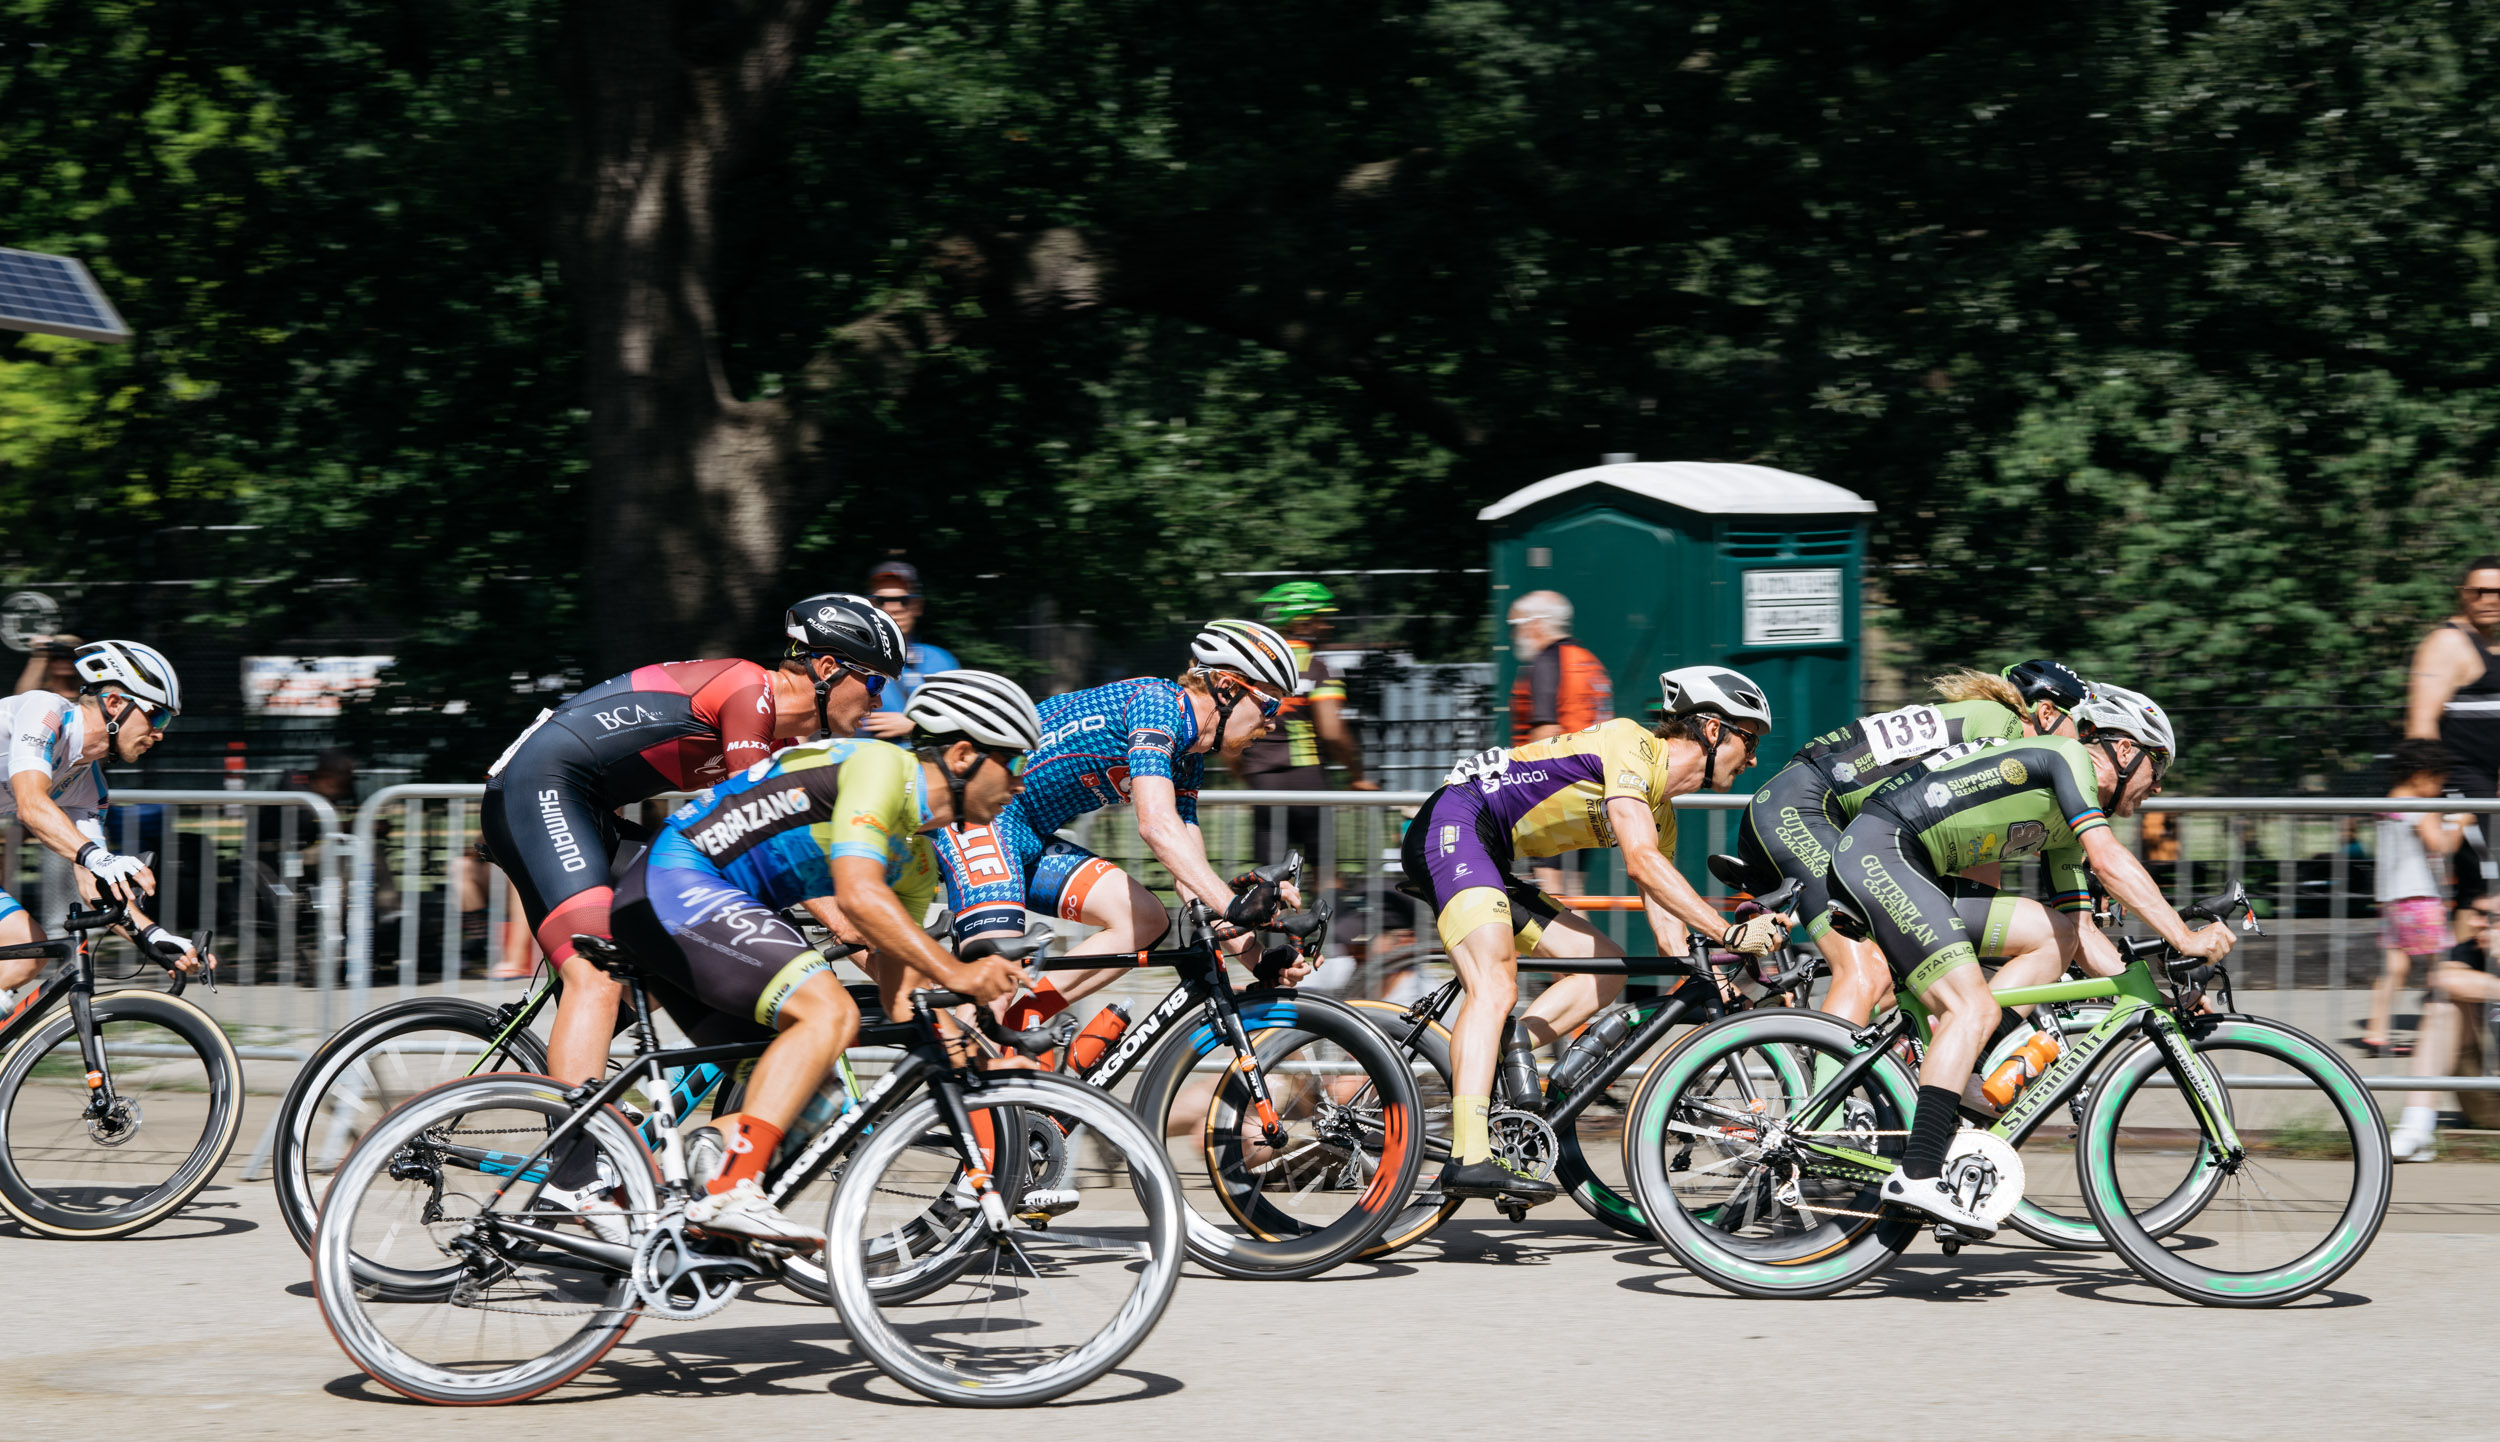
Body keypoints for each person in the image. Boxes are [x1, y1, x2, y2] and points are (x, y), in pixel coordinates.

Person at [607, 671, 1035, 1242]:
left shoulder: (916, 860)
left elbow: (899, 990)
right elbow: (858, 892)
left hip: (697, 907)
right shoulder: (882, 768)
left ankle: (654, 1210)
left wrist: (956, 1043)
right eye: (1014, 763)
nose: (1023, 782)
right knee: (829, 1013)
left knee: (813, 1097)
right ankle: (734, 1188)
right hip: (674, 883)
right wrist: (957, 969)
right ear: (962, 755)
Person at [478, 592, 908, 1158]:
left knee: (670, 927)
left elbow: (808, 867)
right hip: (541, 790)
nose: (880, 699)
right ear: (828, 669)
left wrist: (881, 951)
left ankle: (600, 1099)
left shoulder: (786, 743)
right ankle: (576, 1164)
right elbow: (762, 833)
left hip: (594, 812)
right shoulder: (749, 693)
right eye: (875, 682)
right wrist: (854, 928)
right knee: (597, 975)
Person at [1828, 683, 2235, 1235]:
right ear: (2122, 748)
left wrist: (2153, 999)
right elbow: (2110, 860)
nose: (2157, 785)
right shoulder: (2065, 758)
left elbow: (2086, 936)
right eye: (2156, 764)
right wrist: (2184, 938)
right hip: (1882, 853)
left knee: (2056, 935)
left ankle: (1965, 1067)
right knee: (1968, 1007)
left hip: (1904, 863)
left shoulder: (2066, 821)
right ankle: (1920, 1173)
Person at [1403, 665, 1791, 1201]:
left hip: (1488, 853)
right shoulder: (1632, 745)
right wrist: (1728, 933)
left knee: (1603, 968)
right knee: (1495, 984)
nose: (1752, 759)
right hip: (1456, 821)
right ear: (1711, 729)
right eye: (1749, 741)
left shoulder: (1662, 813)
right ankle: (1467, 1155)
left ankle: (1509, 1045)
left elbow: (1665, 914)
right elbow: (1640, 862)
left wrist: (1706, 974)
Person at [931, 619, 1304, 1027]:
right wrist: (1234, 905)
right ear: (1229, 689)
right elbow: (1156, 825)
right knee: (995, 984)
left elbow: (1191, 878)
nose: (1272, 724)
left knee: (1144, 920)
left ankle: (1016, 1031)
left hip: (1028, 835)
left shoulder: (1187, 760)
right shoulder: (1159, 703)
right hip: (982, 820)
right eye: (1270, 704)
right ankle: (966, 1062)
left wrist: (1259, 960)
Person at [1736, 659, 2090, 1028]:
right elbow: (1982, 879)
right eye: (2079, 727)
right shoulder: (2005, 726)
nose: (2083, 744)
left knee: (1908, 949)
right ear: (2046, 713)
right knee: (1866, 973)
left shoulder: (1987, 718)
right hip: (1799, 811)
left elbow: (1976, 877)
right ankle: (1829, 1078)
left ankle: (1775, 1021)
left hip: (1811, 811)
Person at [0, 641, 211, 1009]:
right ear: (114, 703)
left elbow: (94, 884)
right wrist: (99, 857)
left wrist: (153, 936)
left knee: (26, 951)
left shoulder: (89, 786)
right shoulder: (46, 712)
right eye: (157, 716)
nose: (160, 733)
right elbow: (31, 806)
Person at [1235, 581, 1378, 867]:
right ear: (1302, 622)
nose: (1327, 626)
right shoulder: (1317, 665)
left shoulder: (1251, 667)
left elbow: (1232, 731)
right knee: (1326, 873)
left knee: (1269, 878)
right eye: (1321, 618)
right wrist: (1357, 774)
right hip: (1307, 779)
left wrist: (1243, 772)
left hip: (1262, 780)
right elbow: (1332, 731)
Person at [2363, 739, 2469, 1057]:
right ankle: (2431, 1033)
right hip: (2420, 898)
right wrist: (2460, 822)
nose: (2439, 790)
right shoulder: (2418, 806)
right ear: (2422, 775)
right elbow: (2441, 845)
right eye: (2438, 781)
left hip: (2392, 900)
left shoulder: (2388, 805)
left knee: (2395, 967)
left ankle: (2376, 1031)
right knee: (2443, 967)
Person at [2406, 555, 2500, 904]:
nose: (2489, 599)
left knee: (2479, 893)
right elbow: (2420, 724)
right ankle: (2463, 959)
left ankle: (2465, 958)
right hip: (2462, 785)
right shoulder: (2447, 643)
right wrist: (2426, 800)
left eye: (2497, 592)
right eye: (2478, 591)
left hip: (2490, 788)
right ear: (2463, 594)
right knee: (2486, 890)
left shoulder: (2492, 644)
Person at [2391, 893, 2500, 1161]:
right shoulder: (2469, 950)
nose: (2476, 923)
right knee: (2443, 1006)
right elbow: (2443, 979)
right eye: (2476, 914)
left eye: (2490, 918)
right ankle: (2416, 1130)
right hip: (2487, 1097)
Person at [855, 560, 962, 741]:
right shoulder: (848, 658)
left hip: (930, 765)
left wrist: (914, 726)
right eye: (882, 601)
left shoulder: (942, 661)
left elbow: (963, 723)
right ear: (869, 606)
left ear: (917, 606)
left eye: (904, 600)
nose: (893, 608)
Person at [12, 634, 82, 700]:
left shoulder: (87, 691)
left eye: (72, 657)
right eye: (56, 657)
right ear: (46, 661)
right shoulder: (37, 694)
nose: (65, 662)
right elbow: (22, 698)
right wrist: (40, 655)